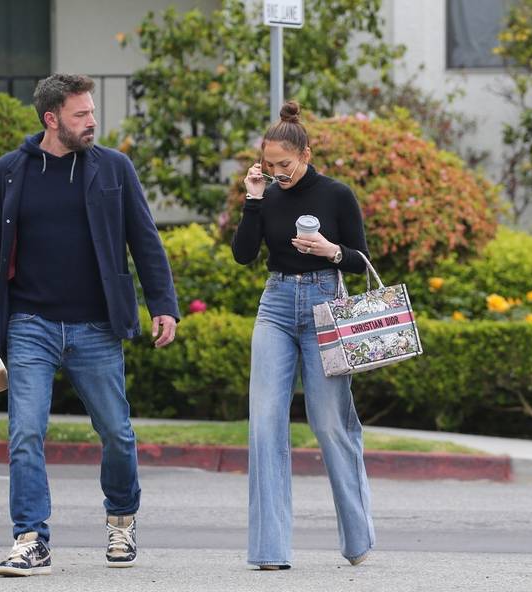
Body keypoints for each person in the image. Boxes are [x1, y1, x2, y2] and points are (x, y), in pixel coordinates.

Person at [0, 73, 180, 576]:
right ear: (51, 119)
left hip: (96, 327)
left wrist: (163, 304)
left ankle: (121, 520)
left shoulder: (113, 169)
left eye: (91, 111)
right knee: (25, 433)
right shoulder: (7, 174)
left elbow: (144, 239)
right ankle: (30, 537)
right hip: (29, 324)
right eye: (81, 114)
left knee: (117, 433)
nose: (92, 121)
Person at [232, 101, 375, 570]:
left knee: (330, 424)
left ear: (306, 154)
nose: (277, 175)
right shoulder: (266, 195)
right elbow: (243, 255)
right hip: (275, 305)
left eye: (285, 166)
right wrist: (253, 200)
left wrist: (333, 251)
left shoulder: (337, 195)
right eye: (269, 167)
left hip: (325, 306)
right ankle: (270, 551)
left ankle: (358, 539)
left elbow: (362, 259)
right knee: (265, 423)